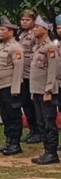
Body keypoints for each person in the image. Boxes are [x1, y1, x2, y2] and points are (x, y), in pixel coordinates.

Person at [0, 16, 24, 156]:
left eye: (3, 30)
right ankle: (9, 141)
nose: (0, 32)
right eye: (0, 29)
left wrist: (16, 88)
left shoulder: (15, 47)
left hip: (10, 86)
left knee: (13, 115)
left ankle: (15, 143)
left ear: (11, 32)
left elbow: (18, 69)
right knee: (5, 115)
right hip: (1, 86)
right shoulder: (2, 46)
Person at [28, 16, 59, 165]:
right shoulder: (37, 47)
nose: (34, 29)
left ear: (45, 29)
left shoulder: (50, 47)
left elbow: (52, 71)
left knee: (49, 123)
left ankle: (52, 153)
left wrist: (49, 91)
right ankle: (47, 150)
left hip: (47, 92)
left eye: (37, 27)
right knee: (41, 122)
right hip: (37, 90)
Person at [18, 9, 41, 143]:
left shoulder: (35, 35)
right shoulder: (22, 35)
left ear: (33, 21)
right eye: (22, 20)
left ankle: (38, 131)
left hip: (32, 74)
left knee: (33, 103)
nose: (24, 22)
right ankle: (32, 129)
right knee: (25, 103)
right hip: (23, 74)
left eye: (27, 20)